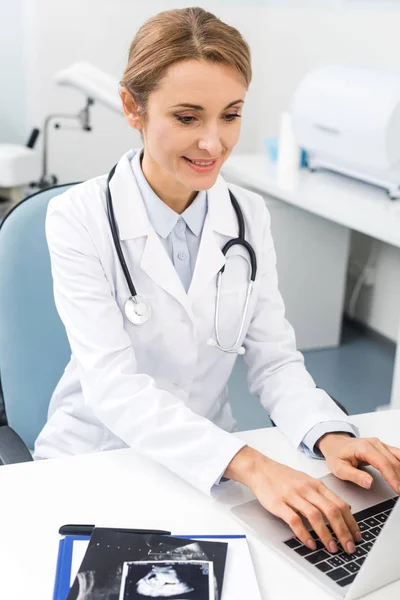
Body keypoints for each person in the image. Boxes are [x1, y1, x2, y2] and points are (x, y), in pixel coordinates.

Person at [34, 7, 400, 558]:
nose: (213, 143)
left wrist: (330, 434)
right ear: (133, 107)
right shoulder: (77, 217)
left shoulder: (248, 215)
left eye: (230, 115)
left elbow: (274, 361)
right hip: (98, 457)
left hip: (211, 464)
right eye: (187, 118)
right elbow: (115, 388)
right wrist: (252, 464)